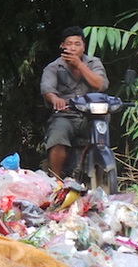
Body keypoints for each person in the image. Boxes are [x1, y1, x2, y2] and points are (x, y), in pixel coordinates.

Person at [40, 26, 109, 178]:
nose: (73, 48)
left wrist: (79, 65)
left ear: (84, 47)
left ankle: (103, 176)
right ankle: (57, 182)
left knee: (103, 137)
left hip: (92, 115)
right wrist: (55, 98)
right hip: (66, 115)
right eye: (69, 44)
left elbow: (101, 84)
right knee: (57, 137)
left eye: (77, 44)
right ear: (62, 46)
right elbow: (46, 88)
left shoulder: (93, 63)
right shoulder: (54, 67)